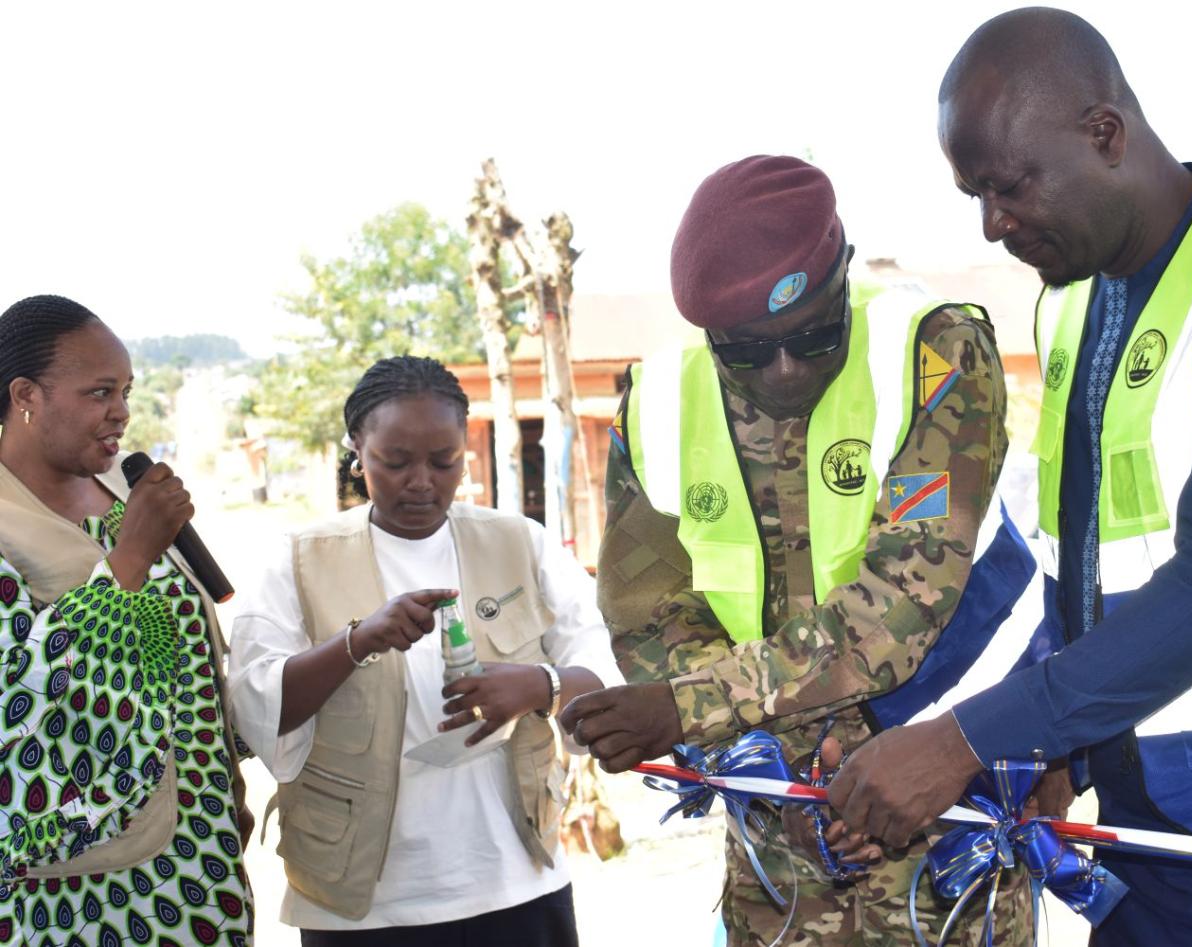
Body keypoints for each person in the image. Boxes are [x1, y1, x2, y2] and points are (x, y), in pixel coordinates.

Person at [829, 9, 1192, 945]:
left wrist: (965, 739)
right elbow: (1089, 568)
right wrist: (1045, 744)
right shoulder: (1074, 310)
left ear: (1103, 133)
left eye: (1008, 187)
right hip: (1159, 839)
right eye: (972, 195)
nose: (993, 223)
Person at [560, 155, 1034, 944]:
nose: (784, 370)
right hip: (776, 855)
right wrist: (781, 760)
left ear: (844, 272)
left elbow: (902, 603)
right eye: (746, 351)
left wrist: (688, 707)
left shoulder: (934, 358)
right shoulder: (659, 406)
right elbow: (652, 616)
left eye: (814, 336)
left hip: (936, 819)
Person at [228, 355, 621, 947]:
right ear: (357, 449)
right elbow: (257, 708)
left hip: (514, 884)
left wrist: (540, 685)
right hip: (361, 908)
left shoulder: (520, 543)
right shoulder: (298, 559)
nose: (421, 481)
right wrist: (356, 643)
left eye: (444, 462)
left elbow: (607, 675)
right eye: (395, 461)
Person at [0, 295, 253, 944]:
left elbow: (183, 656)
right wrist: (131, 557)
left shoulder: (120, 491)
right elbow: (17, 694)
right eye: (99, 391)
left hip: (199, 845)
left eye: (127, 391)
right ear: (26, 395)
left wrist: (221, 781)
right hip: (76, 882)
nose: (122, 411)